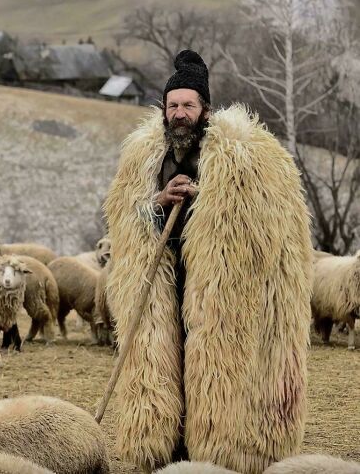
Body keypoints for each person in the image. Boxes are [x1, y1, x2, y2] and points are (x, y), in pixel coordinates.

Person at [103, 50, 312, 473]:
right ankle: (169, 451)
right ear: (164, 110)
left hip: (222, 285)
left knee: (218, 370)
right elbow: (123, 214)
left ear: (205, 109)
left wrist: (209, 201)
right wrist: (158, 202)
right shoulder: (144, 158)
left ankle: (224, 451)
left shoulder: (246, 153)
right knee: (164, 365)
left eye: (188, 106)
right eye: (173, 106)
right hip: (164, 281)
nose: (180, 114)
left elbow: (268, 218)